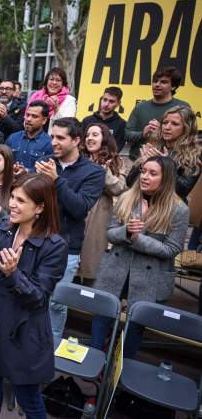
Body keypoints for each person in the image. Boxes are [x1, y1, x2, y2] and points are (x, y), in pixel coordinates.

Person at [0, 173, 68, 419]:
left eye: (21, 200)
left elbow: (39, 299)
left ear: (40, 207)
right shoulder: (5, 230)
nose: (11, 204)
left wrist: (13, 275)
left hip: (23, 334)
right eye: (12, 197)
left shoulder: (54, 246)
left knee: (28, 400)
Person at [90, 156, 188, 358]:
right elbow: (110, 232)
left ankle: (122, 372)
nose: (144, 176)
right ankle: (93, 361)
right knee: (102, 316)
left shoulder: (179, 210)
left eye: (152, 173)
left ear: (166, 179)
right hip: (117, 268)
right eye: (143, 171)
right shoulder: (128, 197)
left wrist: (137, 239)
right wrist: (126, 232)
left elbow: (172, 249)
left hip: (149, 277)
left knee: (135, 325)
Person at [34, 118, 105, 338]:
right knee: (32, 296)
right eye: (52, 136)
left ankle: (52, 348)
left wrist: (56, 180)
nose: (53, 142)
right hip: (37, 240)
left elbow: (79, 207)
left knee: (56, 302)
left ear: (76, 140)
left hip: (67, 247)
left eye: (60, 138)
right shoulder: (46, 161)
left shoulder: (93, 172)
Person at [77, 123, 126, 281]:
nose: (90, 138)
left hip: (100, 211)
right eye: (88, 135)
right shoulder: (78, 157)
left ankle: (87, 298)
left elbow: (119, 188)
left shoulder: (116, 161)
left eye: (95, 135)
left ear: (104, 138)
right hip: (78, 206)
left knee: (91, 255)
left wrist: (105, 173)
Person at [126, 105, 201, 203]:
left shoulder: (193, 154)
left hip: (171, 211)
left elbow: (183, 191)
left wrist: (166, 166)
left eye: (175, 124)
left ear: (186, 128)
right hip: (143, 206)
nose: (167, 127)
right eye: (165, 123)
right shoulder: (154, 148)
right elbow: (130, 182)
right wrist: (141, 165)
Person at [125, 66, 190, 161]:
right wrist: (143, 134)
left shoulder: (182, 107)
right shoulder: (140, 107)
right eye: (155, 81)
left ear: (173, 86)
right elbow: (127, 135)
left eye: (163, 82)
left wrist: (162, 130)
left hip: (170, 161)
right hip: (137, 160)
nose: (157, 85)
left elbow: (189, 136)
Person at [5, 100, 52, 172]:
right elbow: (3, 161)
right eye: (27, 115)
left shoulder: (49, 144)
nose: (28, 119)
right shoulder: (13, 138)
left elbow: (47, 171)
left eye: (34, 116)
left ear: (44, 120)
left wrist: (27, 171)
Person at [28, 67, 77, 134]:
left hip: (54, 139)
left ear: (63, 84)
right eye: (51, 79)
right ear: (46, 81)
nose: (54, 82)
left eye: (58, 80)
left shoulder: (69, 101)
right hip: (32, 136)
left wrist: (56, 109)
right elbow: (26, 118)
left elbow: (67, 125)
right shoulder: (36, 96)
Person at [81, 87, 126, 152]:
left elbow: (116, 148)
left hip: (108, 159)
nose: (106, 104)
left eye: (111, 101)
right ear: (101, 99)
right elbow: (81, 144)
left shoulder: (121, 124)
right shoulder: (87, 120)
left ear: (118, 104)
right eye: (105, 100)